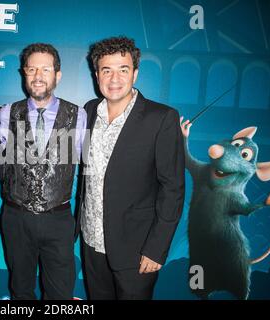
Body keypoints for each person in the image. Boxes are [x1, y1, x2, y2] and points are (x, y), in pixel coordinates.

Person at [76, 36, 185, 300]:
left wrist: (156, 248)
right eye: (106, 70)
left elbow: (173, 189)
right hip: (91, 242)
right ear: (96, 75)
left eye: (122, 69)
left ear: (135, 73)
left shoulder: (162, 118)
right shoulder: (88, 111)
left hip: (136, 250)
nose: (114, 79)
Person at [0, 43, 87, 300]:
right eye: (31, 69)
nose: (38, 76)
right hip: (16, 217)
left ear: (57, 75)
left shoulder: (79, 116)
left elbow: (90, 165)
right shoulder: (5, 114)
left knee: (60, 293)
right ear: (24, 74)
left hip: (58, 219)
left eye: (45, 69)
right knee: (20, 289)